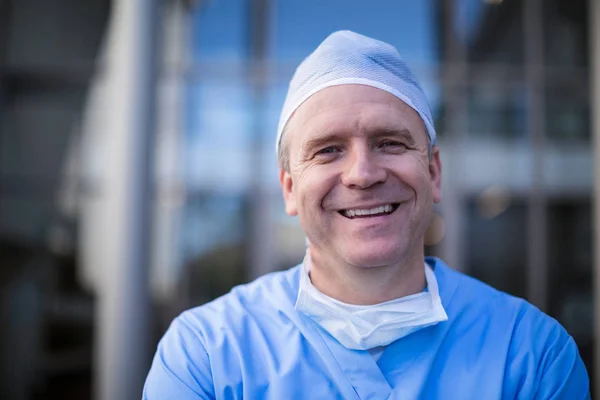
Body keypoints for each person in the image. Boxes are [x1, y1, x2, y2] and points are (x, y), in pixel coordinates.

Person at [143, 30, 590, 399]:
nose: (362, 174)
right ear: (291, 188)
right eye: (328, 150)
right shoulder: (206, 355)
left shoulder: (532, 354)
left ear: (433, 172)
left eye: (390, 143)